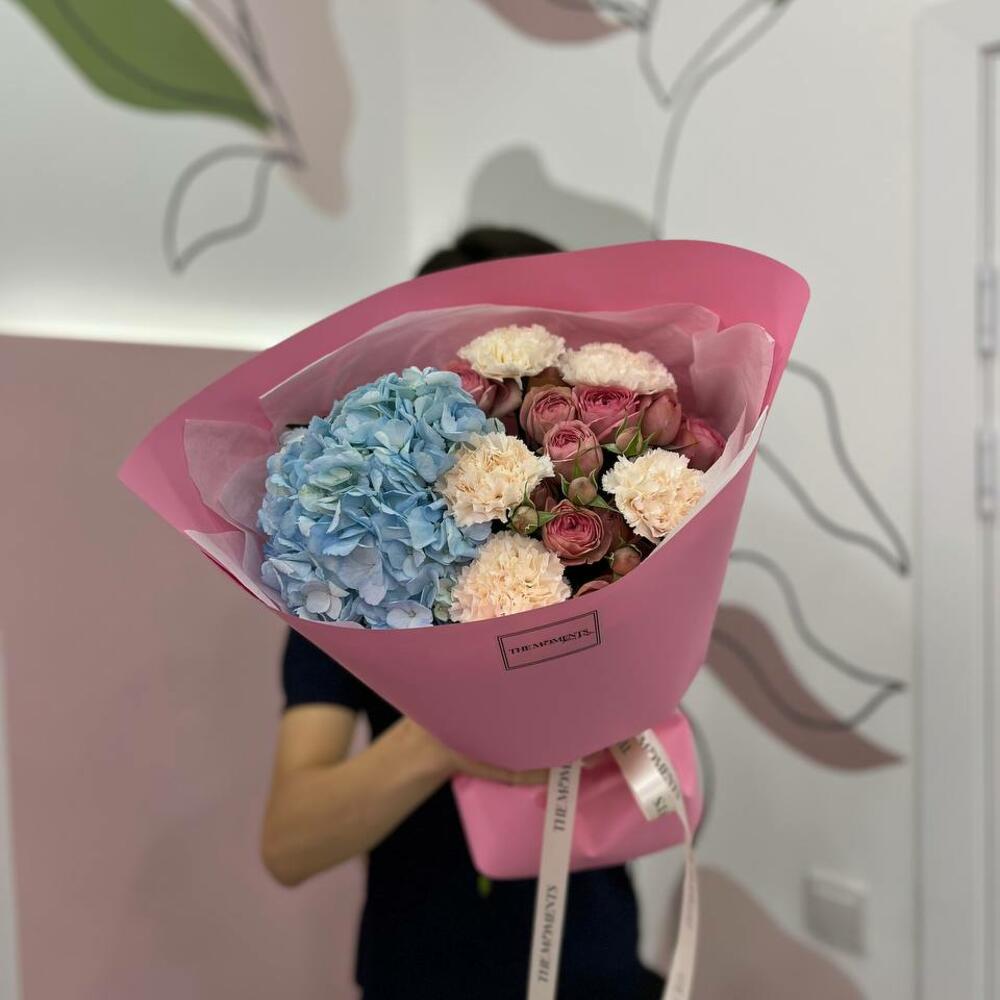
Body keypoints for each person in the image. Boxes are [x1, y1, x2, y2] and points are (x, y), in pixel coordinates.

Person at [261, 227, 666, 1000]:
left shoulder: (602, 540)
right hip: (423, 971)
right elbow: (289, 842)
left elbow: (653, 771)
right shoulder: (353, 582)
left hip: (596, 964)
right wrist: (437, 742)